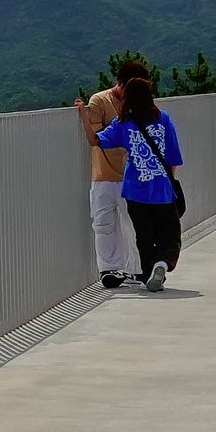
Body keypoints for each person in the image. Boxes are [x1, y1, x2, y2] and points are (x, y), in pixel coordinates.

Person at [94, 72, 185, 292]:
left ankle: (148, 273)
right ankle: (162, 263)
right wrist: (168, 179)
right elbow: (173, 156)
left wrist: (82, 114)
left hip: (134, 191)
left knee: (144, 237)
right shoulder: (163, 118)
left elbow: (97, 140)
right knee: (169, 235)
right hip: (162, 191)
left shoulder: (122, 122)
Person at [76, 70, 133, 289]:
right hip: (103, 174)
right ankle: (109, 269)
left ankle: (135, 268)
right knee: (103, 224)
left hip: (130, 176)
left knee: (133, 225)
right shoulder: (99, 100)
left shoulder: (136, 104)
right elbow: (96, 138)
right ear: (119, 83)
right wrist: (84, 115)